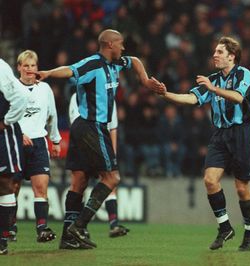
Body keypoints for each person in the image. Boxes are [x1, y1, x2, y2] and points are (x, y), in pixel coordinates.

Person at [34, 29, 163, 249]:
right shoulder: (93, 64)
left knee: (80, 181)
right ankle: (79, 226)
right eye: (120, 43)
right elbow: (70, 70)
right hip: (91, 126)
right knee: (112, 178)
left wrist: (144, 80)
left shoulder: (117, 62)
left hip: (85, 128)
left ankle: (67, 237)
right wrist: (48, 73)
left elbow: (135, 61)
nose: (123, 48)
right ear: (109, 45)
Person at [153, 37, 250, 251]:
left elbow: (237, 97)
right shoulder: (212, 79)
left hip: (241, 134)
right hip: (220, 135)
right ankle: (225, 227)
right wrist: (165, 94)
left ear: (232, 56)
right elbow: (191, 99)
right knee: (210, 180)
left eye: (219, 52)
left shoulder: (244, 74)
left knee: (242, 187)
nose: (214, 55)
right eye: (215, 51)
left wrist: (213, 89)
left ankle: (249, 230)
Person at [9, 50, 61, 243]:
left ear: (37, 68)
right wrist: (18, 134)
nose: (30, 70)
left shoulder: (45, 89)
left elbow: (52, 115)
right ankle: (9, 226)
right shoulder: (11, 89)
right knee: (12, 187)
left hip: (39, 142)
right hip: (15, 143)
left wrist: (55, 140)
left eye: (33, 66)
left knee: (41, 187)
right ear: (19, 68)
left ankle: (42, 228)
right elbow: (4, 117)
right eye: (26, 66)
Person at [69, 92, 130, 237]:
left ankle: (112, 224)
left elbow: (113, 127)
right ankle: (79, 226)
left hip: (103, 144)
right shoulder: (77, 97)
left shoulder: (109, 97)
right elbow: (76, 123)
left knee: (110, 181)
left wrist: (112, 153)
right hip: (85, 144)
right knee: (81, 184)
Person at [0, 58, 28, 255]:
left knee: (4, 183)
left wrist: (6, 122)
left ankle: (2, 238)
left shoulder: (0, 68)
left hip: (2, 134)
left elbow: (21, 97)